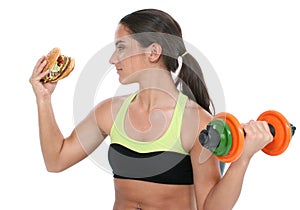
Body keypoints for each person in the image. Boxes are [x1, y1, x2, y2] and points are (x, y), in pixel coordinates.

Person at [29, 9, 273, 210]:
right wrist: (44, 99)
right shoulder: (110, 112)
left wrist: (242, 160)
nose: (113, 59)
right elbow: (56, 160)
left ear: (153, 52)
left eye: (121, 47)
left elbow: (210, 208)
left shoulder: (195, 122)